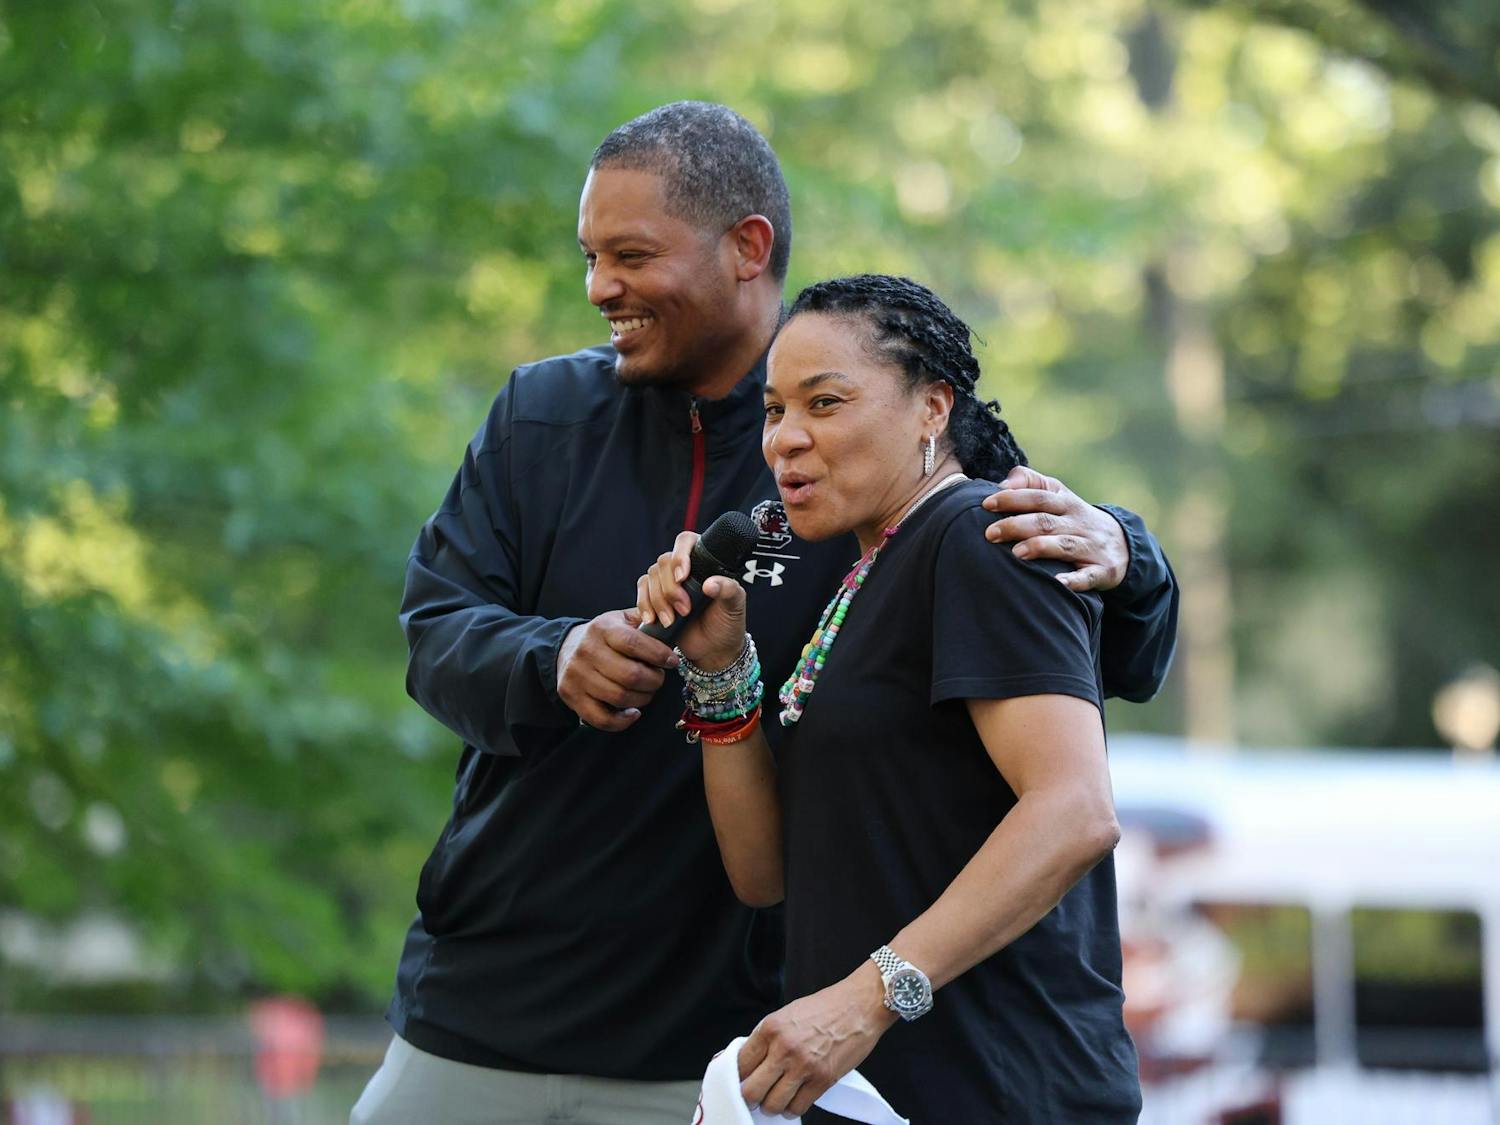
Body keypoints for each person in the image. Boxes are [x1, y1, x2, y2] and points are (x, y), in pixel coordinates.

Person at [352, 103, 1175, 1125]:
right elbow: (435, 627)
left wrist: (1128, 552)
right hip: (491, 1009)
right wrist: (559, 654)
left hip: (750, 1043)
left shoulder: (883, 451)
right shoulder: (541, 418)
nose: (598, 286)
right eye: (590, 255)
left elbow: (1039, 586)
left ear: (748, 249)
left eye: (631, 254)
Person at [637, 274, 1142, 1122]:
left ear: (931, 408)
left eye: (824, 403)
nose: (784, 441)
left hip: (1004, 1090)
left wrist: (863, 1001)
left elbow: (1076, 810)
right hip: (868, 1094)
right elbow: (765, 874)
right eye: (773, 411)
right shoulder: (865, 572)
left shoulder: (981, 538)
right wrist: (720, 670)